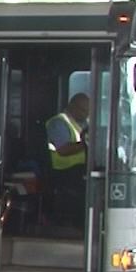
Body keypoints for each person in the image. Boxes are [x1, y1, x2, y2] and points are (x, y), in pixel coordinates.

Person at [44, 92, 92, 228]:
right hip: (62, 171)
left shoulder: (82, 124)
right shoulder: (58, 123)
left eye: (88, 111)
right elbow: (63, 150)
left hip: (80, 169)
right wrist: (87, 144)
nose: (86, 114)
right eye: (83, 110)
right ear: (72, 106)